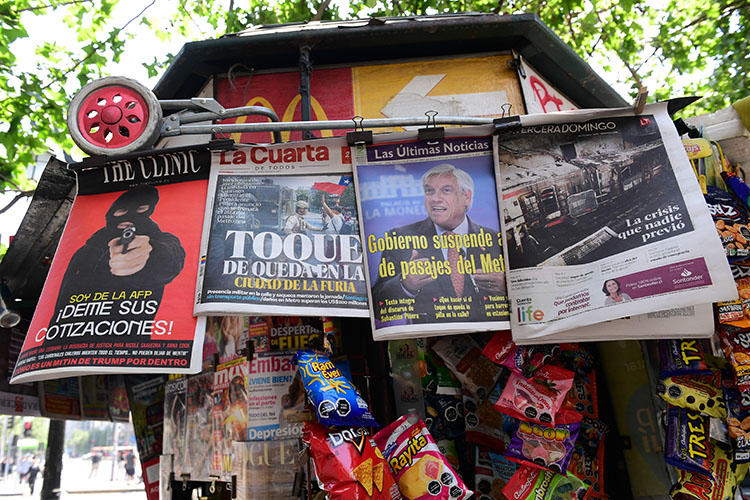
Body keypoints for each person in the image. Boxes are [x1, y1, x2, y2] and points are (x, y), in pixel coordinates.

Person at [371, 164, 506, 323]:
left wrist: (506, 288)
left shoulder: (495, 239)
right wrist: (405, 285)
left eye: (446, 190)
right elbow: (378, 309)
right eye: (429, 191)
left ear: (466, 197)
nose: (435, 199)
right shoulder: (400, 237)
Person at [52, 185, 185, 322]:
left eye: (141, 209)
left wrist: (149, 255)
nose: (130, 215)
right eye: (122, 210)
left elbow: (171, 256)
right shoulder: (87, 249)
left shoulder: (161, 240)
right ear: (112, 213)